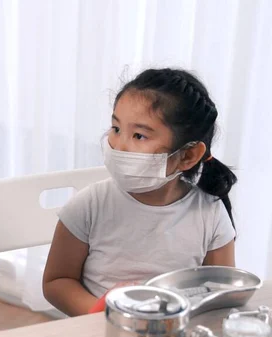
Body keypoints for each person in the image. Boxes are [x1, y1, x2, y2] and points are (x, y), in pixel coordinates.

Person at [42, 68, 237, 317]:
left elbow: (222, 293)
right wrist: (104, 315)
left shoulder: (209, 213)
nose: (120, 145)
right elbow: (57, 282)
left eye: (139, 135)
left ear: (187, 155)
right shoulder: (89, 205)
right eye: (116, 129)